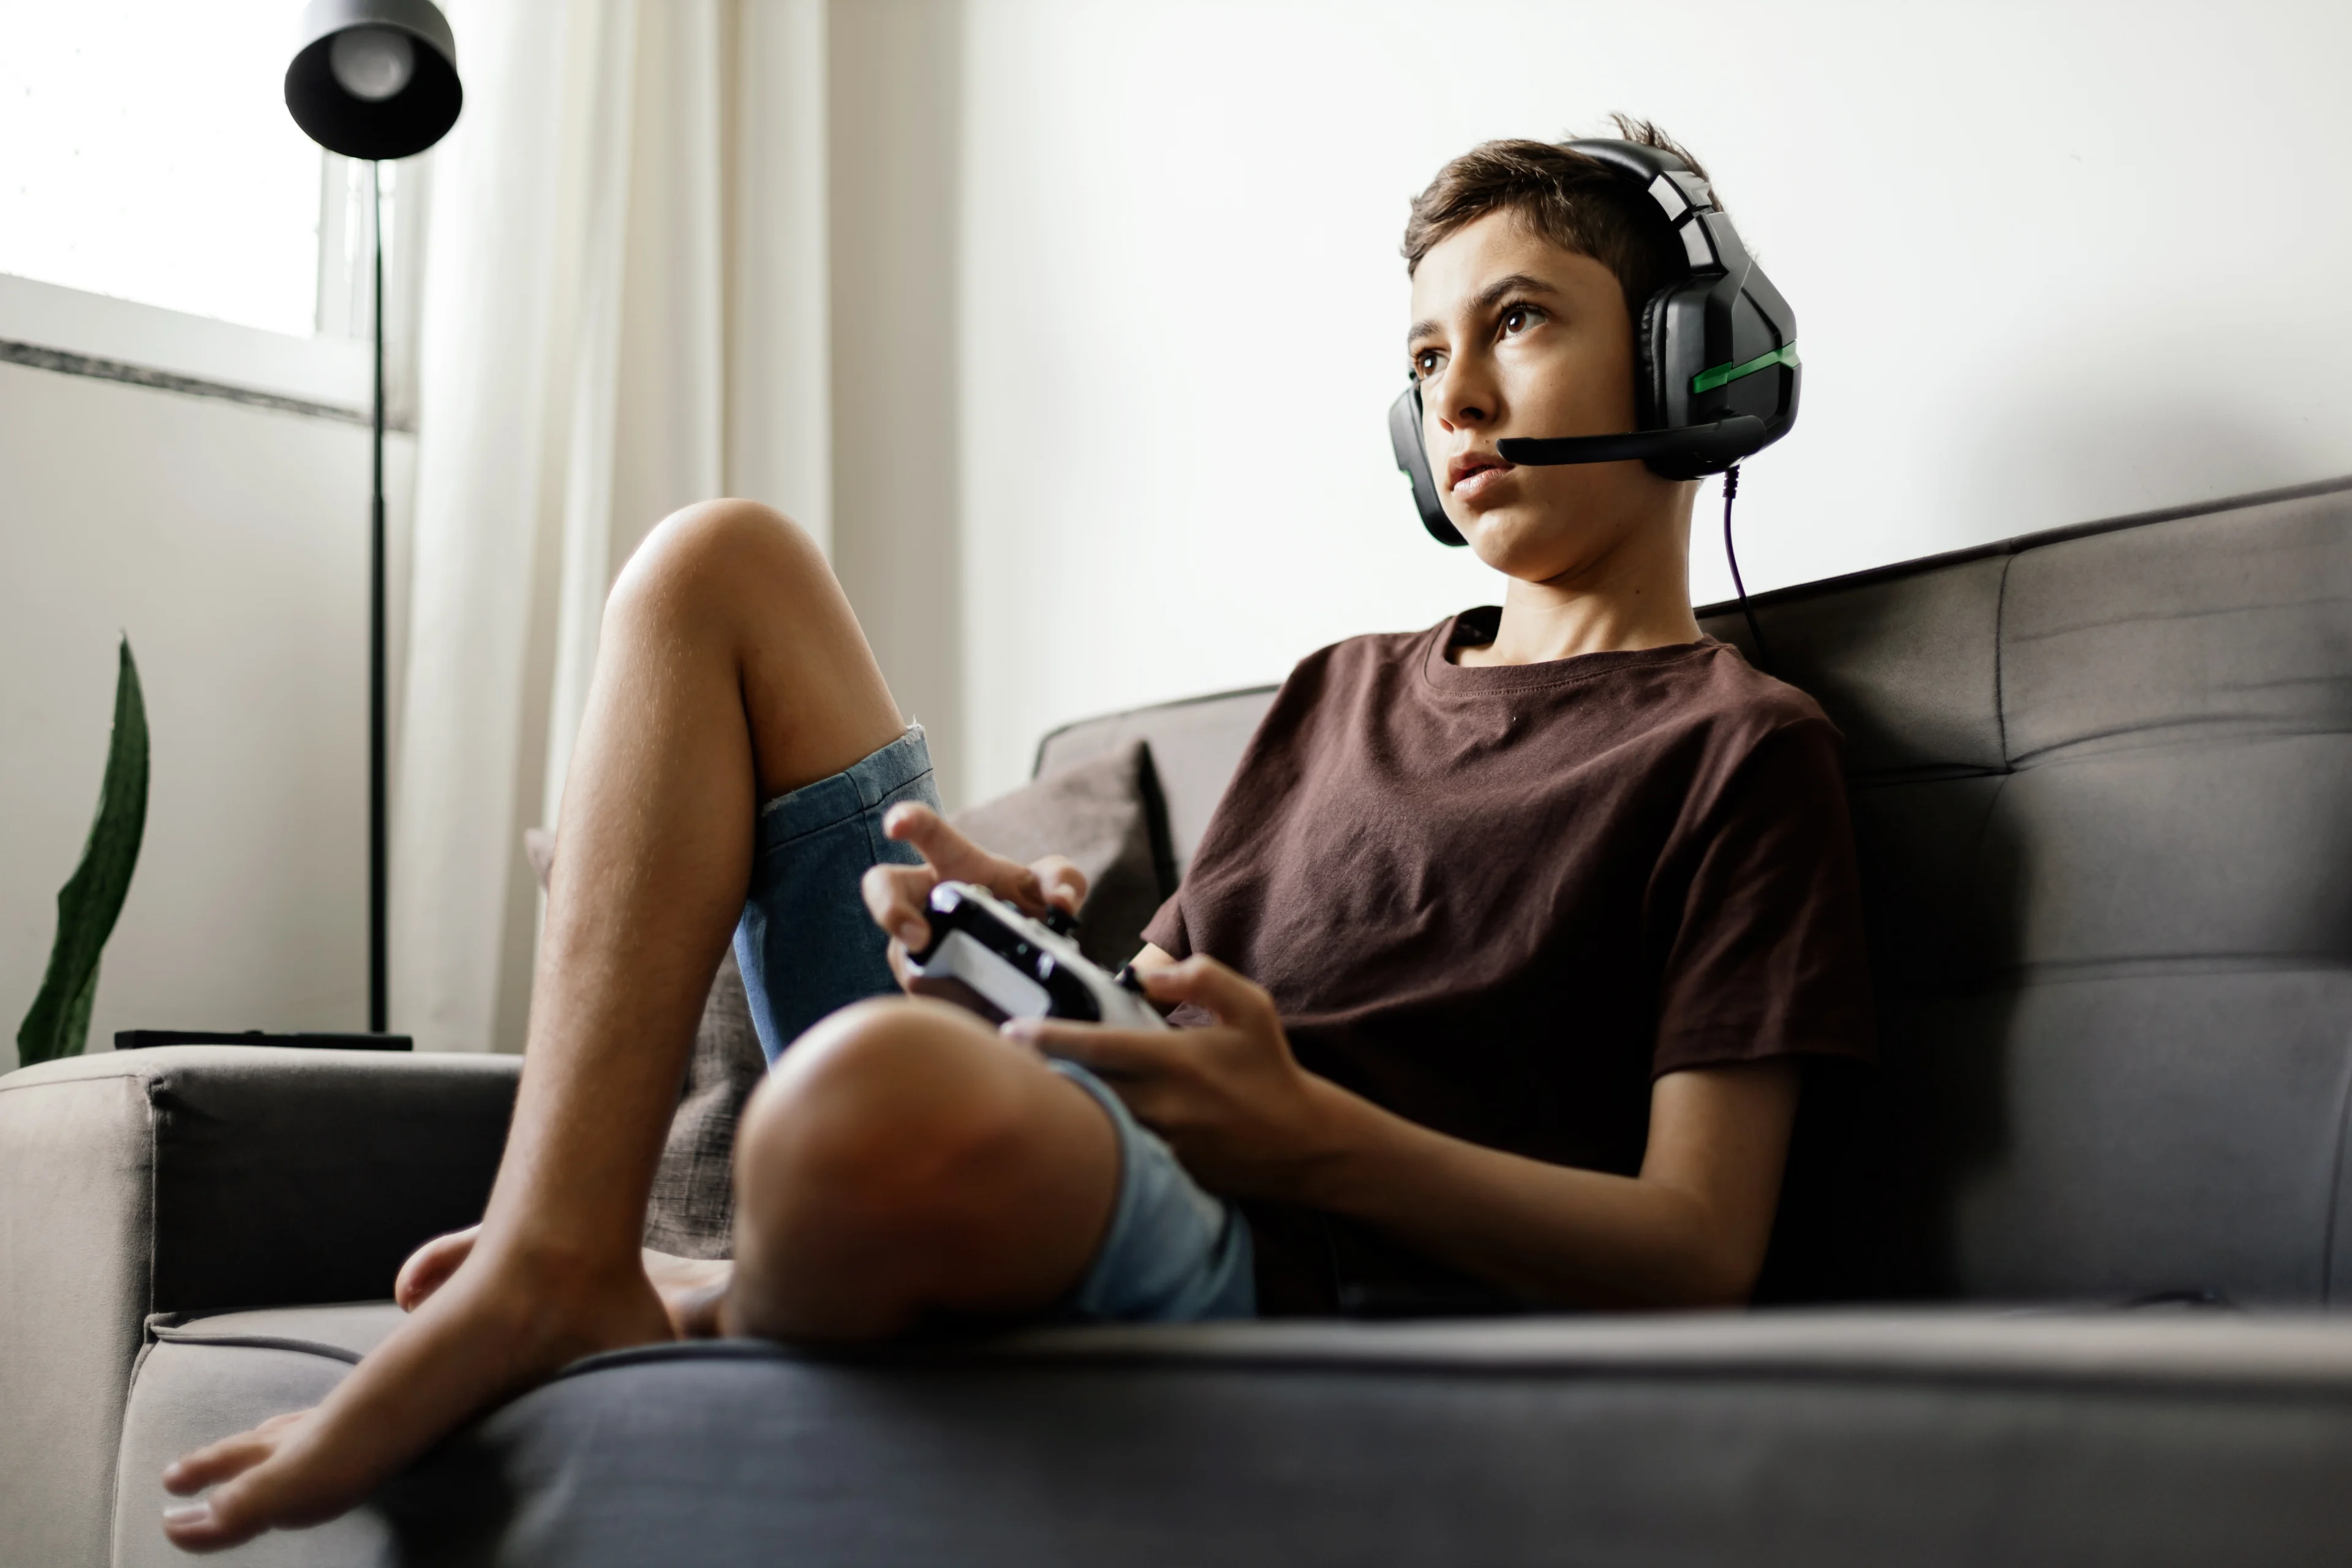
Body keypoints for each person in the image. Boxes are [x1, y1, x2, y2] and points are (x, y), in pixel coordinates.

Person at [160, 121, 1872, 1552]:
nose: (1458, 394)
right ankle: (561, 1260)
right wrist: (1017, 927)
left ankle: (714, 1286)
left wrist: (1310, 1142)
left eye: (1517, 324)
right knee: (714, 563)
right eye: (1427, 355)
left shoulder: (1740, 755)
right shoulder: (1341, 688)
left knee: (869, 1109)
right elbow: (1157, 1010)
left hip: (1262, 1255)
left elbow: (1698, 1253)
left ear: (1687, 359)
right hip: (1082, 1130)